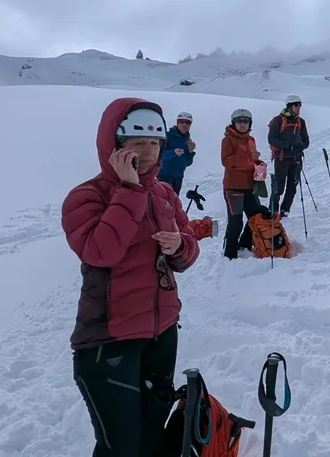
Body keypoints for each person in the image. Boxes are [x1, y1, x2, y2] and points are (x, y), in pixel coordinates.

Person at [60, 97, 202, 457]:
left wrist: (180, 247)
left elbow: (188, 251)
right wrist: (130, 190)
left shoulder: (165, 194)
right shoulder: (86, 197)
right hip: (109, 342)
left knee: (152, 435)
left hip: (162, 333)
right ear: (114, 145)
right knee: (120, 446)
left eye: (155, 143)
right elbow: (100, 252)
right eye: (137, 142)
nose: (150, 151)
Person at [221, 108, 267, 259]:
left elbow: (250, 160)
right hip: (233, 186)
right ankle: (230, 254)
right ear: (233, 123)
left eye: (245, 121)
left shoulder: (251, 140)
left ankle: (244, 245)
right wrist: (248, 156)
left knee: (255, 217)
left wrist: (258, 163)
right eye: (239, 121)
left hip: (250, 185)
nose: (242, 124)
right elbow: (226, 161)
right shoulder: (228, 140)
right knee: (236, 221)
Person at [266, 94, 310, 217]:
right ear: (289, 106)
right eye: (296, 105)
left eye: (300, 105)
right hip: (282, 158)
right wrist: (288, 145)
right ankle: (273, 211)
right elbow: (271, 139)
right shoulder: (278, 120)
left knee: (292, 186)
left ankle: (285, 211)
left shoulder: (301, 122)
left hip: (296, 158)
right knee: (278, 187)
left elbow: (306, 141)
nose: (298, 107)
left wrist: (300, 146)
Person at [158, 111, 197, 194]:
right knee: (163, 202)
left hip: (179, 177)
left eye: (187, 122)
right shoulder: (167, 136)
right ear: (177, 123)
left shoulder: (187, 140)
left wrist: (190, 152)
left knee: (174, 203)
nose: (184, 124)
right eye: (181, 122)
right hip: (164, 176)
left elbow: (187, 163)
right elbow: (159, 155)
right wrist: (173, 152)